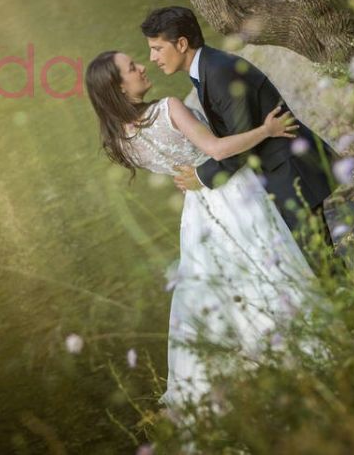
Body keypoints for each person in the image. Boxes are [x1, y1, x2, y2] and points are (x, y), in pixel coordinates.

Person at [85, 50, 322, 409]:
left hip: (198, 210)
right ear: (118, 88)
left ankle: (263, 358)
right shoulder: (168, 108)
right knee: (269, 264)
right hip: (233, 192)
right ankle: (301, 347)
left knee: (236, 281)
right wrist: (266, 130)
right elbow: (216, 148)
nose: (142, 66)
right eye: (132, 68)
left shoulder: (121, 142)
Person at [140, 6, 339, 268]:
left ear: (181, 44)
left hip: (290, 173)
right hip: (279, 172)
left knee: (321, 263)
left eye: (156, 48)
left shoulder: (220, 72)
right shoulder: (209, 68)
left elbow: (240, 140)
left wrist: (202, 175)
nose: (152, 57)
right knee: (315, 262)